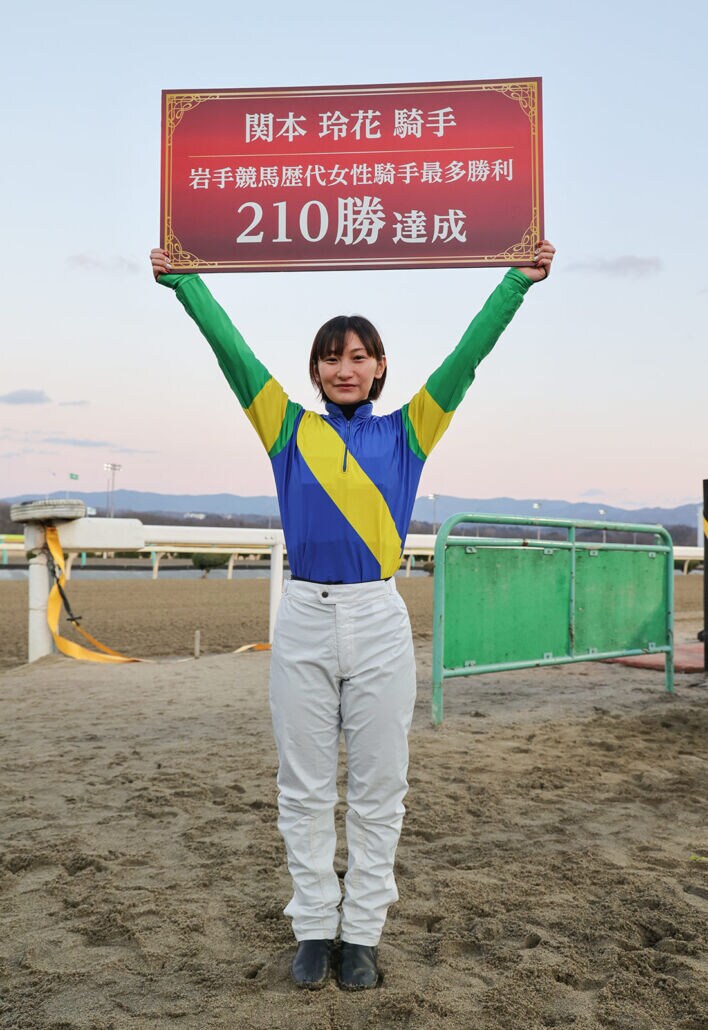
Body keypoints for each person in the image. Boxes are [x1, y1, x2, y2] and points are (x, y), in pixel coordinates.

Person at [150, 240, 556, 990]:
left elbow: (466, 358)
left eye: (360, 355)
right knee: (303, 787)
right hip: (302, 614)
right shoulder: (283, 426)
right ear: (314, 369)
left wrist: (515, 284)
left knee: (378, 787)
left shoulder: (409, 430)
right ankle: (313, 926)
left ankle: (361, 932)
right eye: (332, 356)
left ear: (379, 368)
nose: (346, 367)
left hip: (377, 618)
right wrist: (185, 282)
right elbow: (230, 351)